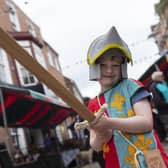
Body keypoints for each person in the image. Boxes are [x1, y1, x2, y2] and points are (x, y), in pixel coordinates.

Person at [85, 26, 168, 168]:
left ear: (122, 67)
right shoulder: (93, 104)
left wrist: (109, 123)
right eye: (103, 65)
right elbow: (95, 145)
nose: (109, 70)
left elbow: (146, 122)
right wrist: (101, 136)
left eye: (115, 65)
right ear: (94, 68)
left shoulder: (132, 86)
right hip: (116, 163)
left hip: (150, 158)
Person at [150, 71, 168, 141]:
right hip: (163, 110)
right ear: (157, 77)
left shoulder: (161, 84)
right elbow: (157, 100)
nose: (163, 77)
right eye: (161, 76)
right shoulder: (154, 86)